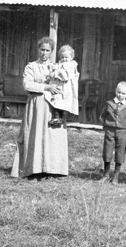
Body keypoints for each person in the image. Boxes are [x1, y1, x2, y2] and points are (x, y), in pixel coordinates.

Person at [12, 36, 68, 179]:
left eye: (47, 50)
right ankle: (33, 168)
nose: (44, 53)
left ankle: (51, 169)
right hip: (36, 105)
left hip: (52, 106)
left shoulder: (56, 67)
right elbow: (27, 85)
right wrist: (47, 87)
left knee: (51, 135)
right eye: (42, 50)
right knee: (35, 134)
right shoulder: (31, 66)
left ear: (51, 52)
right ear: (38, 50)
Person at [98, 81, 126, 184]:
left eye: (123, 93)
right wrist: (106, 126)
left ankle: (116, 176)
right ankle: (106, 174)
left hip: (122, 133)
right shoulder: (109, 104)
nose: (120, 95)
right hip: (110, 132)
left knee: (120, 153)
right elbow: (102, 116)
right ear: (115, 91)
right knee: (107, 152)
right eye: (119, 92)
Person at [46, 44, 79, 127]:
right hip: (60, 86)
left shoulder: (71, 65)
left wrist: (55, 72)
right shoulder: (60, 64)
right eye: (62, 57)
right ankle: (57, 117)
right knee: (56, 100)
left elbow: (65, 76)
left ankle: (59, 117)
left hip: (66, 88)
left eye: (66, 57)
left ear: (71, 57)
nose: (64, 59)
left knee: (61, 101)